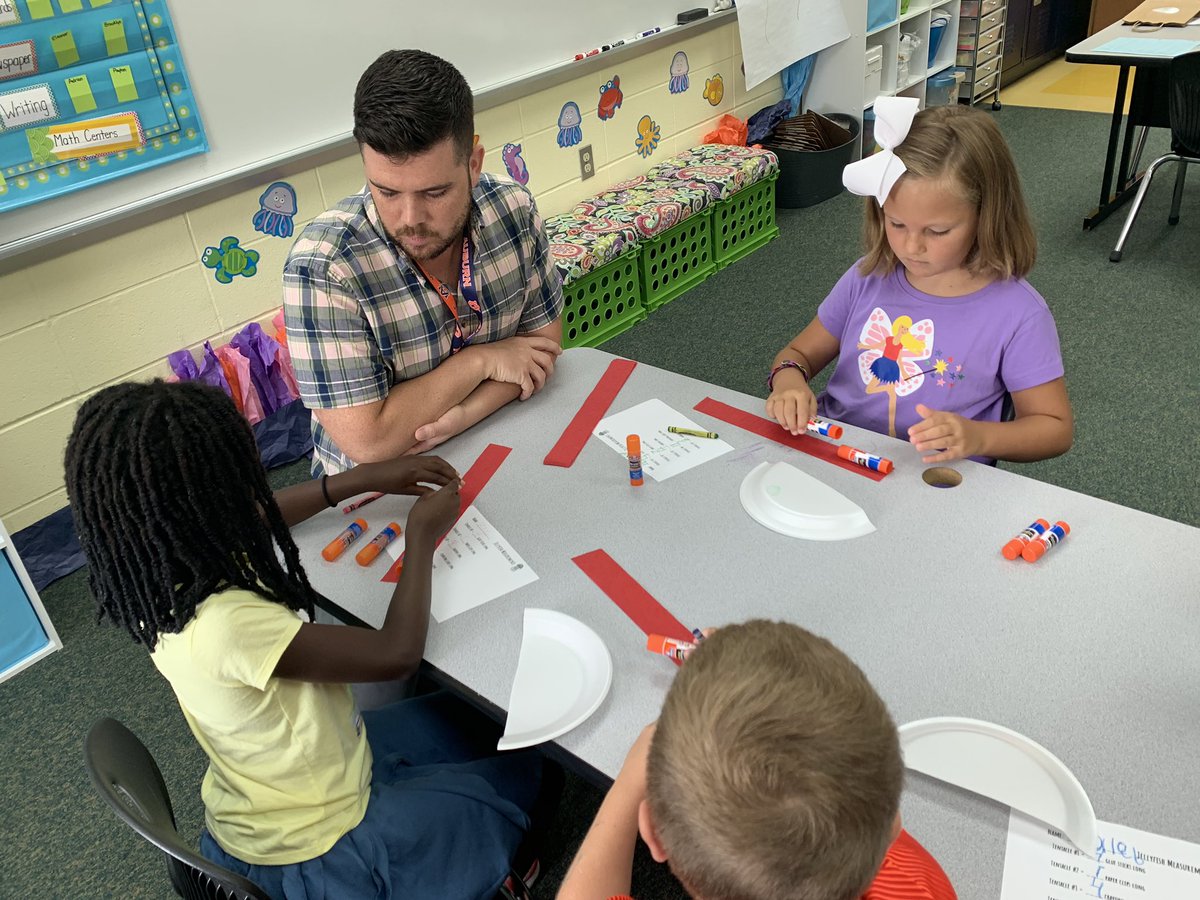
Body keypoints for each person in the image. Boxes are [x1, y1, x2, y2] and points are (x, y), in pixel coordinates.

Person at [64, 380, 552, 900]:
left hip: (279, 786)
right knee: (525, 780)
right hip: (320, 843)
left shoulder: (161, 574)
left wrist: (356, 480)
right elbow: (397, 654)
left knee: (479, 724)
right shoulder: (225, 624)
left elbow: (259, 515)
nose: (254, 490)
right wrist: (420, 536)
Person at [284, 49, 564, 476]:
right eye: (386, 192)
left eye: (435, 193)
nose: (410, 219)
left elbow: (545, 347)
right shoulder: (323, 267)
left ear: (473, 165)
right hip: (381, 484)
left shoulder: (514, 208)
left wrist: (464, 415)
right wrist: (482, 361)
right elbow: (370, 442)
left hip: (501, 429)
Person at [556, 620, 957, 900]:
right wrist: (745, 678)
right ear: (892, 825)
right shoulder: (920, 888)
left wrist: (632, 777)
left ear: (655, 835)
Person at [767, 99, 1073, 465]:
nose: (911, 247)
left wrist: (979, 437)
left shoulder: (1019, 314)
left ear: (987, 215)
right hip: (839, 457)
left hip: (932, 478)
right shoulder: (867, 275)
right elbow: (797, 355)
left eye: (937, 231)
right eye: (896, 224)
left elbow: (1054, 428)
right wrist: (789, 382)